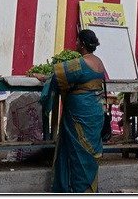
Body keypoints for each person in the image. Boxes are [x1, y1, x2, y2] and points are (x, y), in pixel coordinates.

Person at [41, 28, 106, 193]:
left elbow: (57, 75)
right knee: (88, 154)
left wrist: (44, 78)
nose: (75, 43)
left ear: (82, 44)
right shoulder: (99, 61)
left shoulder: (80, 63)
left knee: (78, 154)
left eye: (77, 41)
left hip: (79, 113)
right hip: (95, 113)